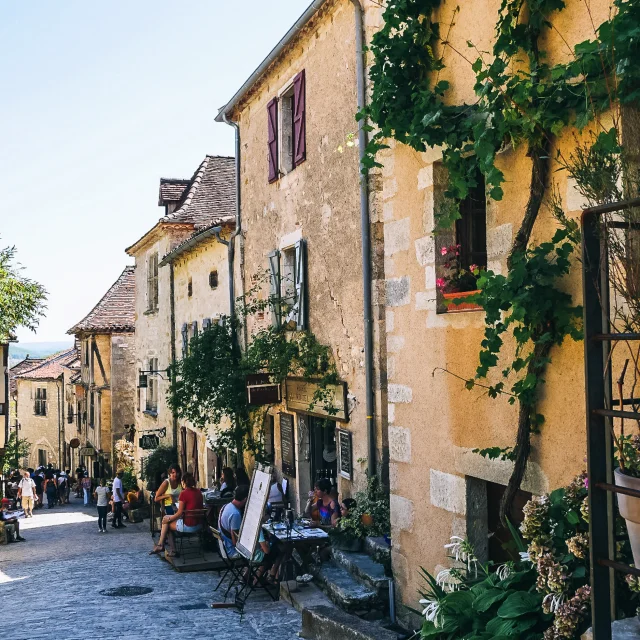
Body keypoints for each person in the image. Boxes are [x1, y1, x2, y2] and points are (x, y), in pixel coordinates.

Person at [150, 472, 203, 557]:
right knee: (166, 519)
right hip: (199, 524)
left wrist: (169, 519)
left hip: (189, 525)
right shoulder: (198, 492)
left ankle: (167, 548)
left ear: (183, 482)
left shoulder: (184, 493)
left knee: (166, 523)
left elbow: (179, 513)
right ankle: (160, 545)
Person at [216, 484, 249, 559]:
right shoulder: (235, 514)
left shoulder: (226, 506)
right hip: (231, 551)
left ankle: (247, 571)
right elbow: (236, 542)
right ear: (245, 499)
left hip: (223, 547)